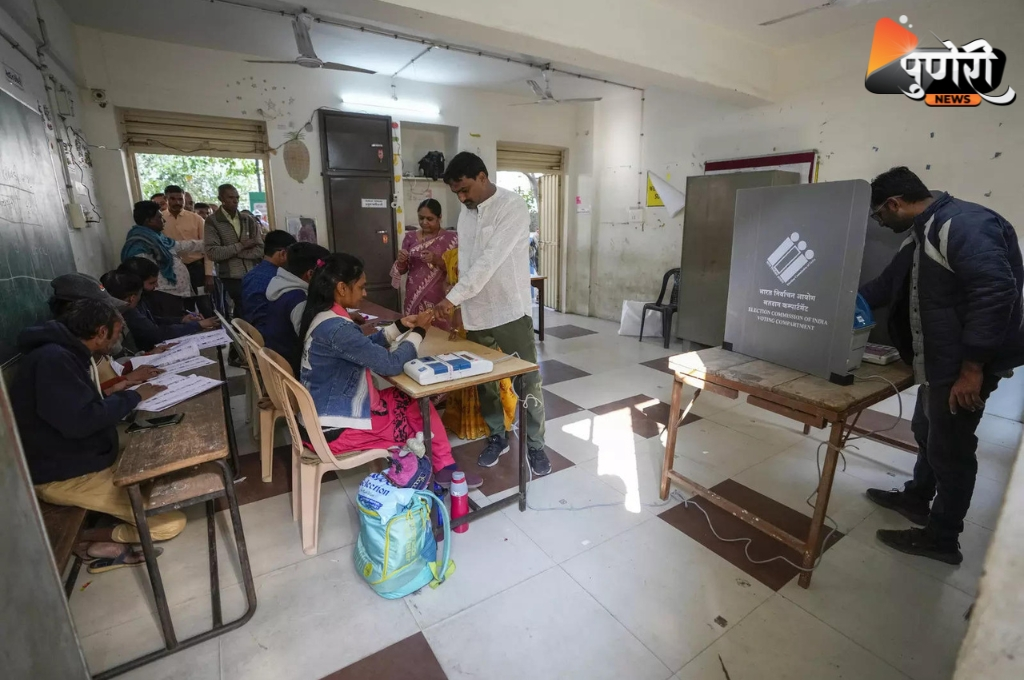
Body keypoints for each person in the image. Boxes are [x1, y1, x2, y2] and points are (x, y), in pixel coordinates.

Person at [861, 166, 1024, 565]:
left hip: (966, 365)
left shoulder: (962, 225)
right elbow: (884, 287)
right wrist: (835, 301)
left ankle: (943, 537)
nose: (881, 223)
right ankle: (918, 499)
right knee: (926, 430)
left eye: (880, 215)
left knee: (951, 450)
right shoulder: (921, 235)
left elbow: (995, 293)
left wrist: (973, 369)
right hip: (939, 361)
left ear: (894, 204)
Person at [11, 299, 185, 572]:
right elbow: (80, 420)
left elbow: (69, 409)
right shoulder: (52, 359)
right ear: (101, 332)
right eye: (117, 333)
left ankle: (122, 510)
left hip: (84, 452)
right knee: (169, 523)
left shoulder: (63, 353)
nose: (118, 341)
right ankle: (85, 538)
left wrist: (112, 393)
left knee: (162, 439)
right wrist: (132, 396)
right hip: (64, 473)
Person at [298, 253, 481, 488]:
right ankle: (442, 470)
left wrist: (400, 326)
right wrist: (419, 332)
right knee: (419, 406)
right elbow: (391, 364)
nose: (365, 293)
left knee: (412, 399)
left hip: (321, 419)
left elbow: (364, 348)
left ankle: (443, 468)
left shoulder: (324, 317)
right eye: (361, 287)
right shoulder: (338, 329)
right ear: (342, 288)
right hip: (336, 432)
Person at [436, 152, 550, 475]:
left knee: (526, 382)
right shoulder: (465, 213)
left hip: (509, 312)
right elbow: (468, 262)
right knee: (484, 383)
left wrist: (451, 299)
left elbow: (488, 262)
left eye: (465, 189)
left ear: (482, 177)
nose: (461, 197)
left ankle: (536, 446)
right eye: (457, 192)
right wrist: (460, 309)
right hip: (476, 314)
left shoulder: (512, 207)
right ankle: (497, 436)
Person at [121, 200, 206, 319]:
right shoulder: (140, 243)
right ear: (149, 220)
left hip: (173, 295)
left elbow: (181, 246)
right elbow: (144, 275)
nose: (164, 221)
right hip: (161, 296)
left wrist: (207, 243)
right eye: (159, 218)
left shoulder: (157, 239)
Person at [101, 268, 217, 352]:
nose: (156, 286)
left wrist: (182, 319)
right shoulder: (129, 312)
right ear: (132, 298)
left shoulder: (136, 304)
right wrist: (198, 325)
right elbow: (156, 333)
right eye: (151, 283)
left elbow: (153, 321)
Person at [261, 241, 329, 372]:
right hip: (295, 370)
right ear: (310, 274)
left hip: (279, 362)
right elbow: (314, 342)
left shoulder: (279, 285)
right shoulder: (298, 300)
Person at [390, 198, 457, 329]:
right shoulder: (410, 237)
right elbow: (403, 270)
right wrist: (401, 260)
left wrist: (436, 260)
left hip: (439, 295)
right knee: (413, 328)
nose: (424, 222)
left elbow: (455, 270)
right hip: (413, 294)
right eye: (421, 218)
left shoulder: (451, 239)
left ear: (440, 217)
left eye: (429, 219)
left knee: (439, 333)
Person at [204, 183, 263, 320]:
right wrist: (241, 246)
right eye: (230, 197)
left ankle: (246, 335)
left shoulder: (247, 219)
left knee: (252, 306)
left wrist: (236, 252)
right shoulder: (213, 221)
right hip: (230, 275)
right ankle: (242, 336)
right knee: (242, 305)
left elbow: (260, 248)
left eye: (237, 197)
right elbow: (213, 253)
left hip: (251, 271)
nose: (235, 201)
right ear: (221, 198)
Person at [241, 230, 296, 328]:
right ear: (283, 254)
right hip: (271, 336)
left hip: (253, 332)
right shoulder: (278, 279)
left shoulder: (250, 274)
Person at [161, 185, 211, 294]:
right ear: (166, 199)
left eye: (180, 199)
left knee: (204, 302)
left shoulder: (196, 219)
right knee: (181, 304)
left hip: (197, 269)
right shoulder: (160, 219)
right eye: (172, 199)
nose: (177, 202)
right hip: (172, 270)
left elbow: (208, 247)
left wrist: (209, 274)